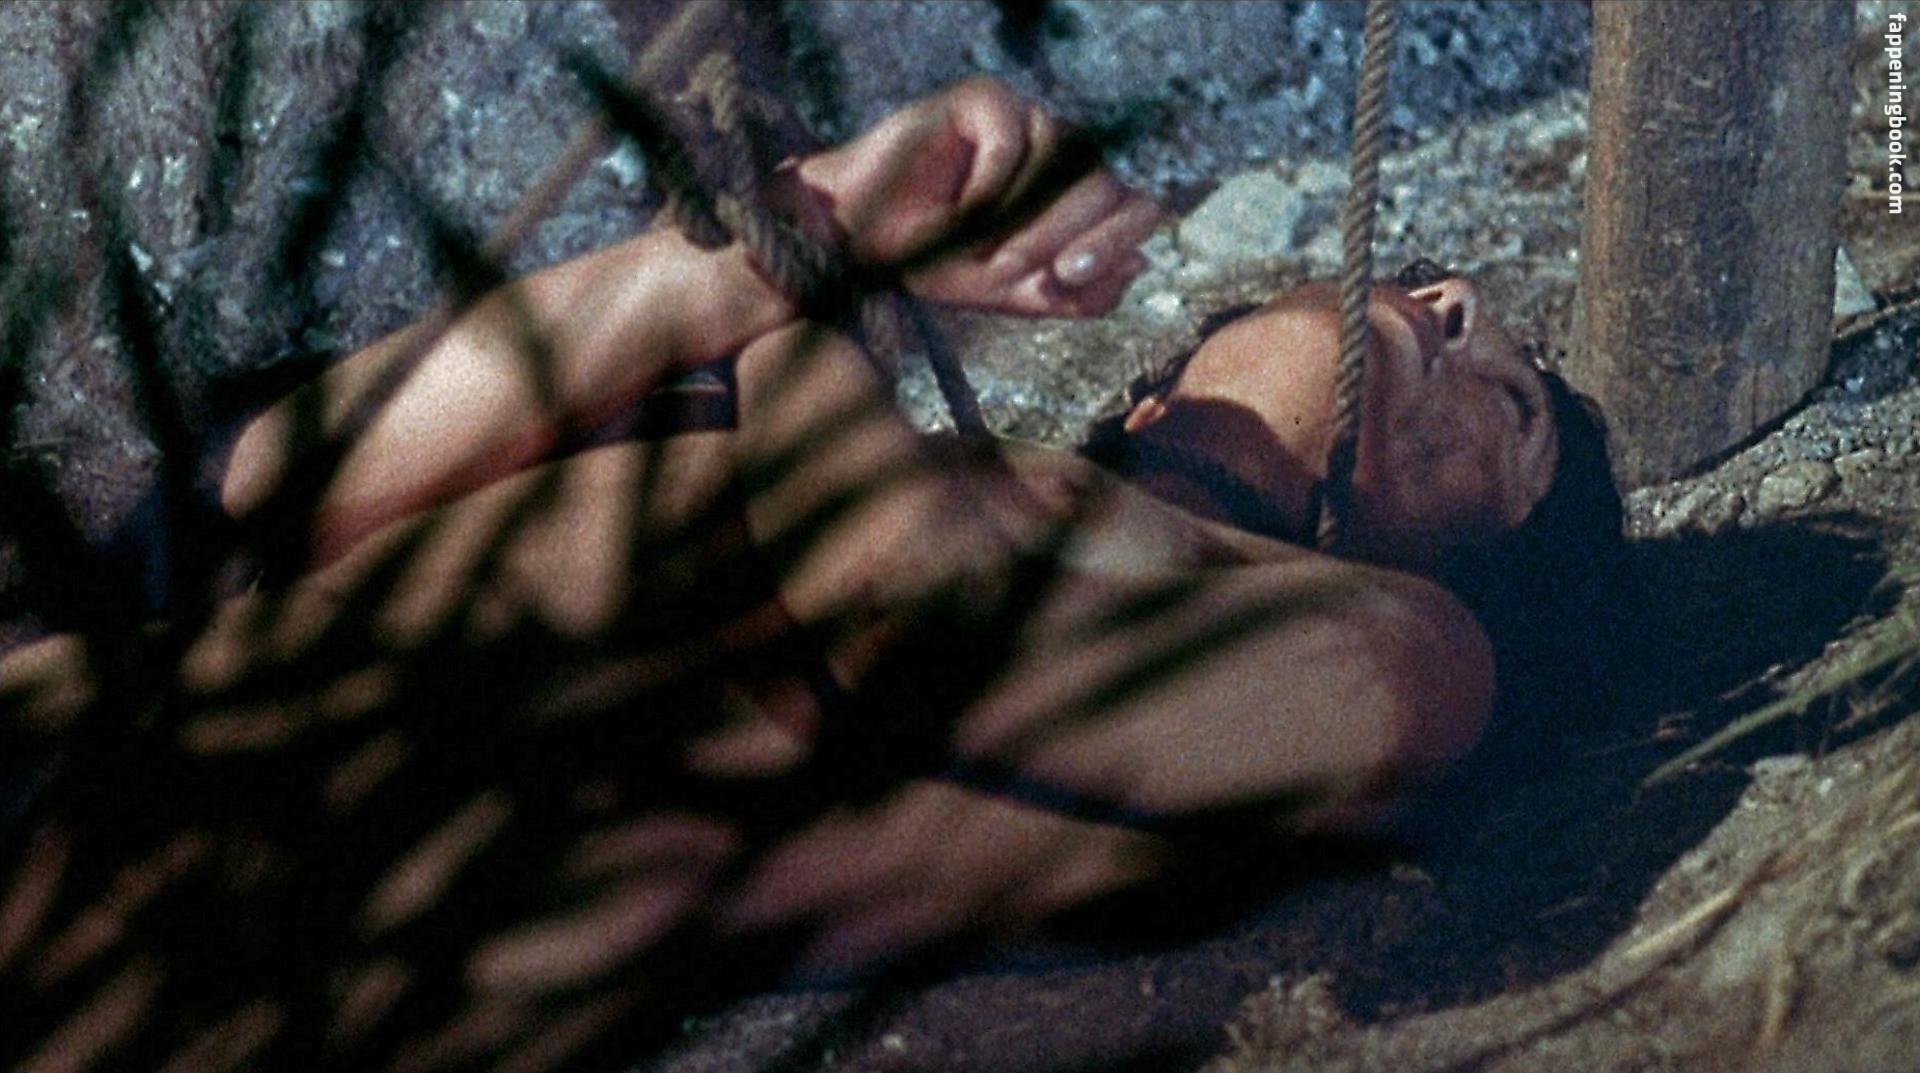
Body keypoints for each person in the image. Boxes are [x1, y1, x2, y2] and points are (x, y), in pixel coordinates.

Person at [0, 76, 1619, 1059]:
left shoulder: (1423, 657)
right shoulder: (875, 443)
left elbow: (913, 612)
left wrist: (819, 292)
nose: (1458, 308)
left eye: (1522, 406)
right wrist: (806, 223)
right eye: (1438, 294)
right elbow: (268, 487)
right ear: (1151, 388)